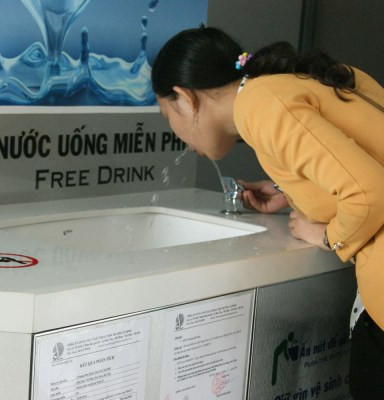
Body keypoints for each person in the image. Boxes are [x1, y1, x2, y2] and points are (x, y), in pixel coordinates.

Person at [151, 26, 384, 399]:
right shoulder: (287, 84)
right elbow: (363, 150)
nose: (182, 139)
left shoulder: (259, 108)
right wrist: (290, 189)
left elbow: (372, 192)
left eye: (167, 116)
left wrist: (326, 236)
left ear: (185, 97)